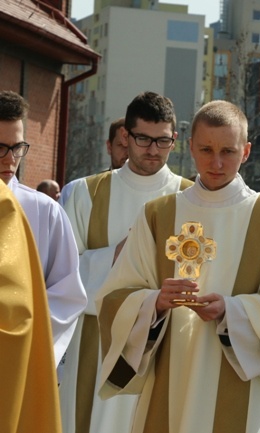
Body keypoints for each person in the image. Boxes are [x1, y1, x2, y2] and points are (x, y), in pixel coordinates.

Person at [95, 100, 260, 432]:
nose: (216, 162)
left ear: (246, 151)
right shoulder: (157, 214)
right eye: (206, 149)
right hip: (170, 376)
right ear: (190, 148)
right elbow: (113, 298)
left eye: (228, 151)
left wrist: (232, 311)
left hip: (245, 387)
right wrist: (153, 302)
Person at [60, 91, 193, 433]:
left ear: (175, 140)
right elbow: (61, 276)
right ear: (125, 136)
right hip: (97, 339)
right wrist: (116, 256)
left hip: (166, 337)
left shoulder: (191, 197)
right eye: (143, 139)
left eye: (163, 141)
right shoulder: (84, 193)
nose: (153, 150)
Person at [0, 90, 86, 379]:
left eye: (17, 147)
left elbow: (67, 294)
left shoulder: (44, 212)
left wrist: (20, 336)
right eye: (0, 147)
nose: (10, 159)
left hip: (18, 362)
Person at [0, 181, 62, 433]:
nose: (9, 157)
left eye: (16, 148)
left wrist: (41, 344)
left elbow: (16, 308)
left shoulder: (15, 207)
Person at [60, 117, 128, 206]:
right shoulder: (77, 192)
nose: (128, 152)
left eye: (132, 147)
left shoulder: (151, 194)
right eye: (121, 145)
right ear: (109, 147)